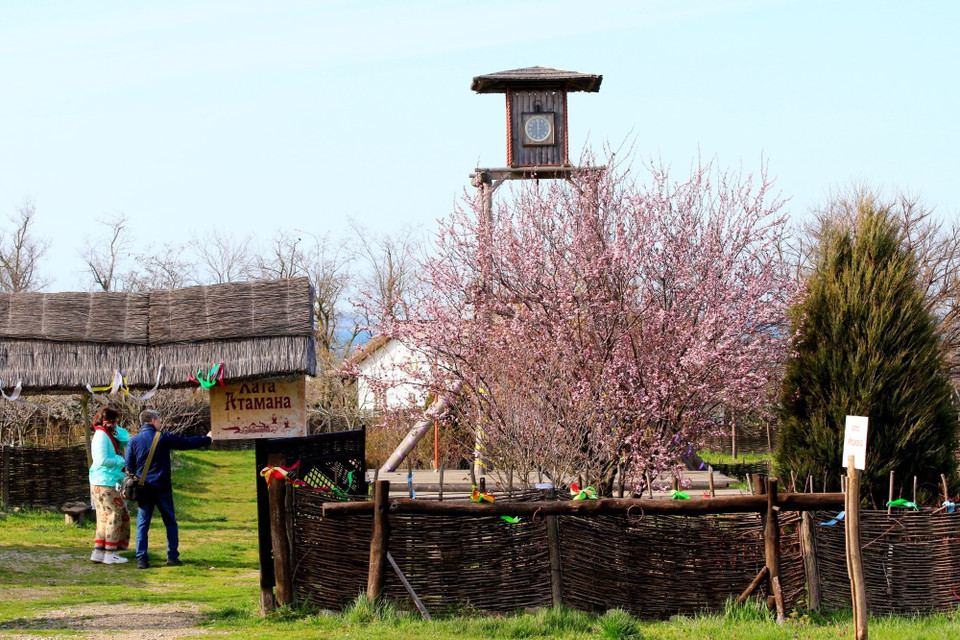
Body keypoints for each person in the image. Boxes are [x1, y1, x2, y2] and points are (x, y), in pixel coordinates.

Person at [125, 409, 212, 569]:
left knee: (143, 524)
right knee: (170, 522)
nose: (160, 423)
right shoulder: (163, 438)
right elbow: (186, 443)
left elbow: (129, 465)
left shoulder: (133, 441)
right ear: (153, 421)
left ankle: (142, 559)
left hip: (144, 488)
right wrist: (207, 439)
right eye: (159, 420)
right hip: (162, 487)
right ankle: (172, 556)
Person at [88, 406, 131, 564]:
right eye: (111, 421)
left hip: (101, 481)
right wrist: (121, 461)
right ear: (103, 421)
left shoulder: (106, 434)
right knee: (115, 515)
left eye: (115, 421)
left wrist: (115, 427)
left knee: (103, 517)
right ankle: (110, 553)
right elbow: (102, 460)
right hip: (106, 482)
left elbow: (126, 438)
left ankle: (98, 552)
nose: (113, 425)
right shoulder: (101, 436)